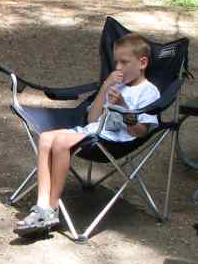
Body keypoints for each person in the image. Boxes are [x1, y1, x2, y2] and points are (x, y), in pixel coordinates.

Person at [14, 33, 161, 237]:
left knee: (62, 141)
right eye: (116, 62)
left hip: (116, 140)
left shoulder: (149, 92)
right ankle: (41, 205)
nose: (118, 67)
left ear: (142, 62)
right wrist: (105, 86)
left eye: (124, 62)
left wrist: (123, 106)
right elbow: (92, 119)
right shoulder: (115, 85)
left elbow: (140, 132)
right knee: (46, 137)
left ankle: (52, 209)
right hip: (93, 131)